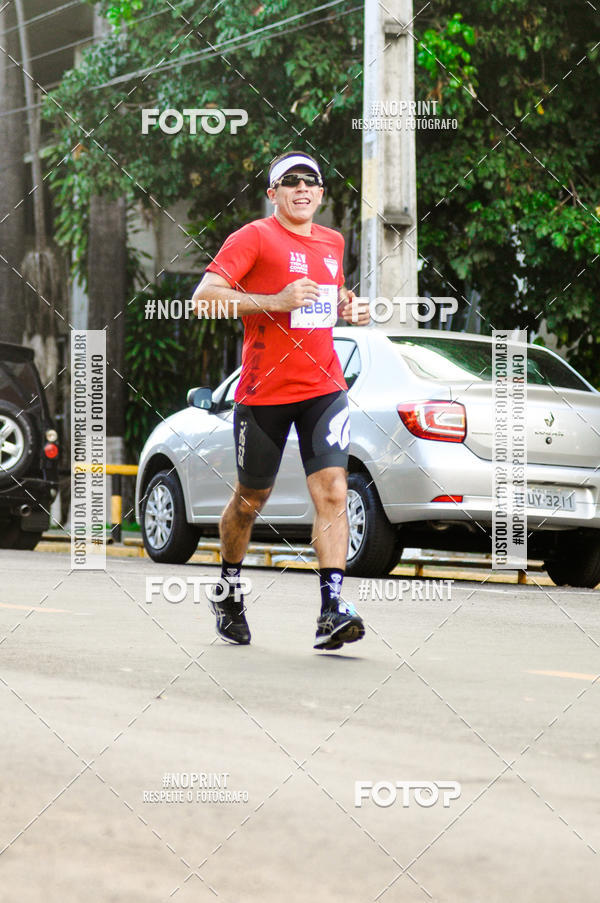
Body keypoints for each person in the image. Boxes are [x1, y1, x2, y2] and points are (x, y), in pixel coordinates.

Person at [192, 150, 370, 650]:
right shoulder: (253, 237)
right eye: (289, 182)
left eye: (310, 181)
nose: (301, 189)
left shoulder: (333, 242)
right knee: (251, 500)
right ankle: (228, 590)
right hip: (263, 392)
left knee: (333, 490)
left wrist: (344, 305)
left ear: (320, 192)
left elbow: (322, 299)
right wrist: (274, 301)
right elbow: (204, 297)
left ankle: (332, 608)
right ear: (273, 193)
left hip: (323, 388)